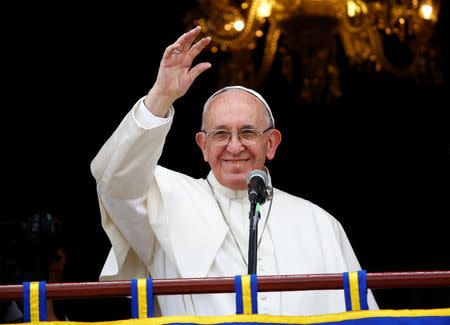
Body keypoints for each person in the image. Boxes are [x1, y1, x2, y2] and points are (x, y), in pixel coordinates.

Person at [91, 26, 378, 317]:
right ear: (203, 145)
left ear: (272, 143)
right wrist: (160, 98)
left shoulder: (319, 224)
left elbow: (364, 315)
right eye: (220, 134)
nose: (234, 146)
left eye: (248, 132)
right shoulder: (165, 202)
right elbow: (115, 181)